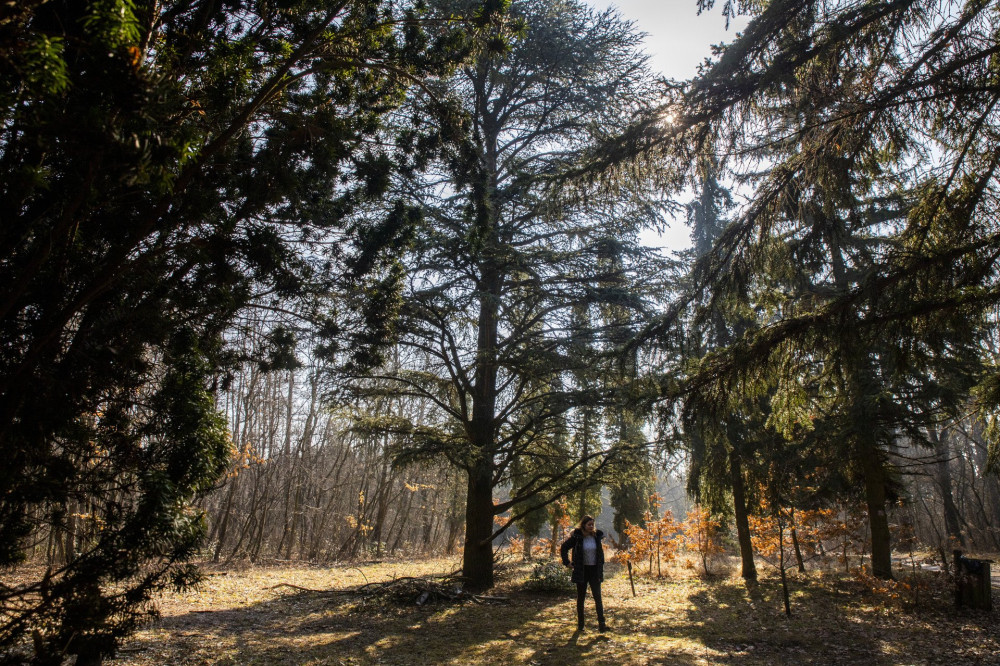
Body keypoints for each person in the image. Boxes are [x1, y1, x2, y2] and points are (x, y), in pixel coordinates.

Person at [560, 515, 607, 632]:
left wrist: (601, 562)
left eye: (592, 524)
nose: (591, 527)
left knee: (598, 597)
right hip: (582, 570)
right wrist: (567, 562)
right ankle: (581, 625)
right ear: (583, 525)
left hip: (594, 570)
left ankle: (602, 624)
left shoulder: (596, 537)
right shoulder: (577, 537)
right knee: (581, 598)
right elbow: (564, 547)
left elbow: (600, 553)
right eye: (589, 525)